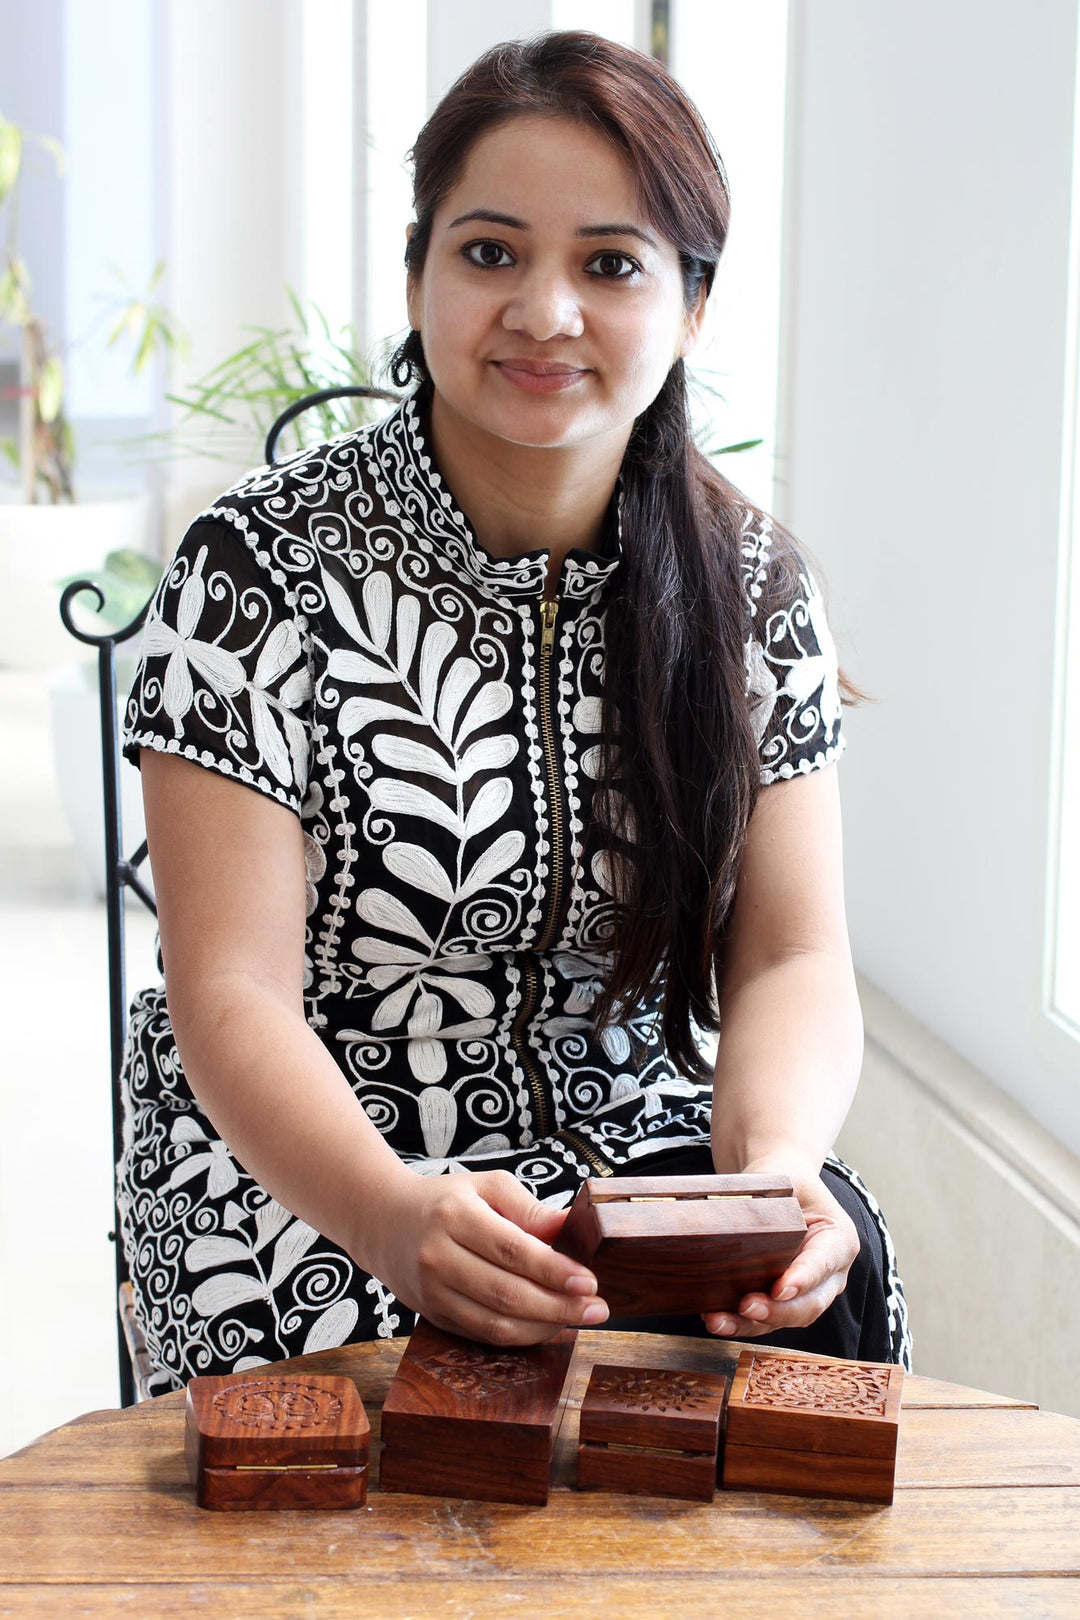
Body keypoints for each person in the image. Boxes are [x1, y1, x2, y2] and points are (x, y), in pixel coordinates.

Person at [119, 30, 910, 1393]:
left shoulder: (756, 584)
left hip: (643, 1146)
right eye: (490, 253)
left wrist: (768, 1183)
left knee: (804, 1350)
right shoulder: (257, 568)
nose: (546, 312)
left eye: (611, 265)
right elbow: (232, 991)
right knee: (404, 1418)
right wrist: (388, 1213)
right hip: (309, 1165)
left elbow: (790, 956)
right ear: (419, 273)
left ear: (693, 306)